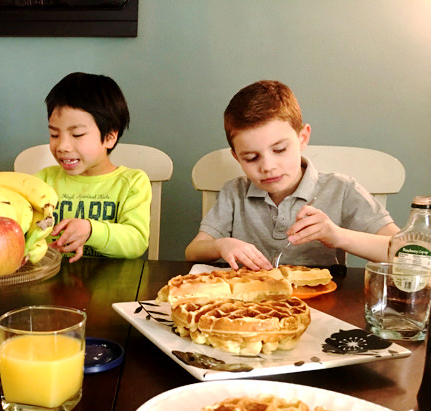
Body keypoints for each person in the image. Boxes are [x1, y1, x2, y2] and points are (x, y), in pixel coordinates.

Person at [185, 80, 399, 269]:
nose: (268, 167)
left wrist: (338, 236)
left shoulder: (341, 189)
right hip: (248, 306)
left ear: (303, 138)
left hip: (320, 303)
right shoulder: (234, 192)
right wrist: (221, 245)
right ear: (237, 157)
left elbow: (406, 252)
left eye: (279, 150)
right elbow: (193, 251)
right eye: (251, 158)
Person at [36, 72, 151, 263]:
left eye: (78, 134)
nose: (63, 146)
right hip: (51, 282)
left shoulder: (132, 183)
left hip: (113, 287)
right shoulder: (42, 181)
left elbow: (136, 241)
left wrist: (91, 230)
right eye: (54, 134)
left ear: (109, 137)